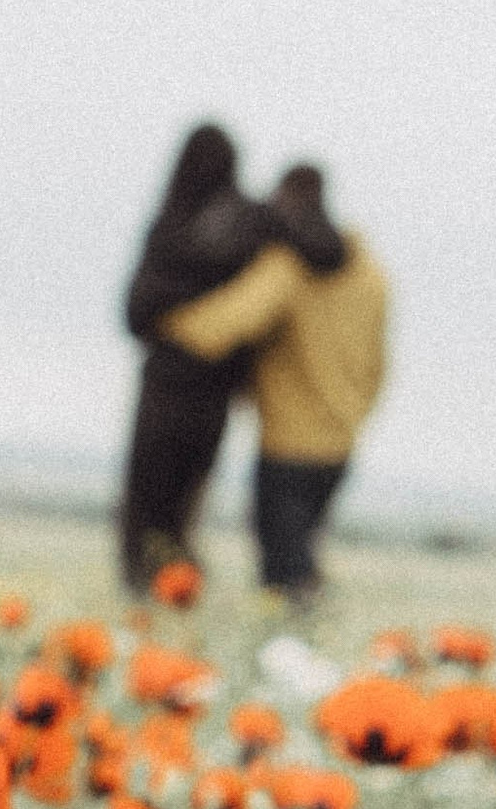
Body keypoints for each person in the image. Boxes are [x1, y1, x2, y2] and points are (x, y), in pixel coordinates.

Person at [115, 126, 344, 590]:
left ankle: (150, 592)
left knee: (146, 505)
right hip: (212, 395)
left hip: (166, 385)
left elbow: (134, 314)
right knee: (181, 509)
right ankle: (172, 590)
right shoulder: (252, 220)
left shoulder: (172, 221)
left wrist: (179, 321)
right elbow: (328, 251)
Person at [159, 162, 389, 598]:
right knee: (302, 553)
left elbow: (229, 323)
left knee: (283, 570)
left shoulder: (290, 268)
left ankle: (301, 647)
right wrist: (354, 414)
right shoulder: (372, 279)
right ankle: (310, 636)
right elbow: (379, 367)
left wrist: (163, 323)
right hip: (341, 446)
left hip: (288, 444)